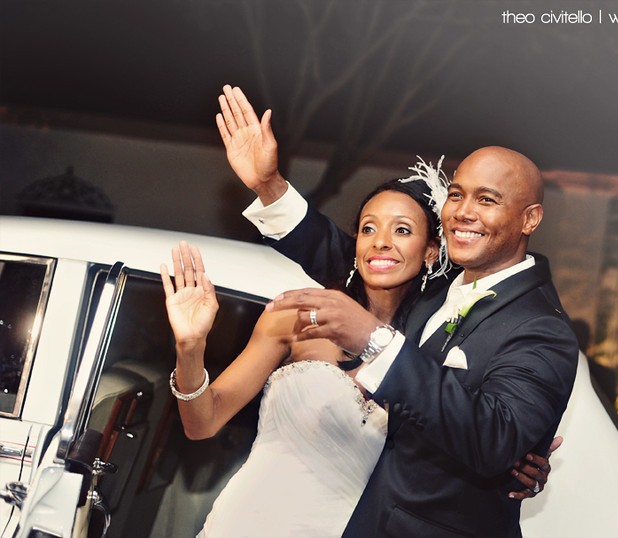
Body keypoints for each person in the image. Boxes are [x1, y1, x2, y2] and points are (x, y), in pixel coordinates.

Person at [218, 85, 578, 537]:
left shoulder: (543, 328)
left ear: (530, 219)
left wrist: (375, 339)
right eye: (458, 195)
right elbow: (346, 254)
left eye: (486, 200)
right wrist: (268, 186)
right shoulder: (436, 289)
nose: (463, 213)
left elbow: (494, 440)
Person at [161, 161, 555, 537]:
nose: (380, 242)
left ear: (432, 250)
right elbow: (202, 423)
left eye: (402, 231)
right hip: (253, 523)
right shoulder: (297, 318)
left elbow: (473, 426)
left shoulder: (425, 358)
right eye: (368, 229)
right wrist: (190, 348)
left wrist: (516, 459)